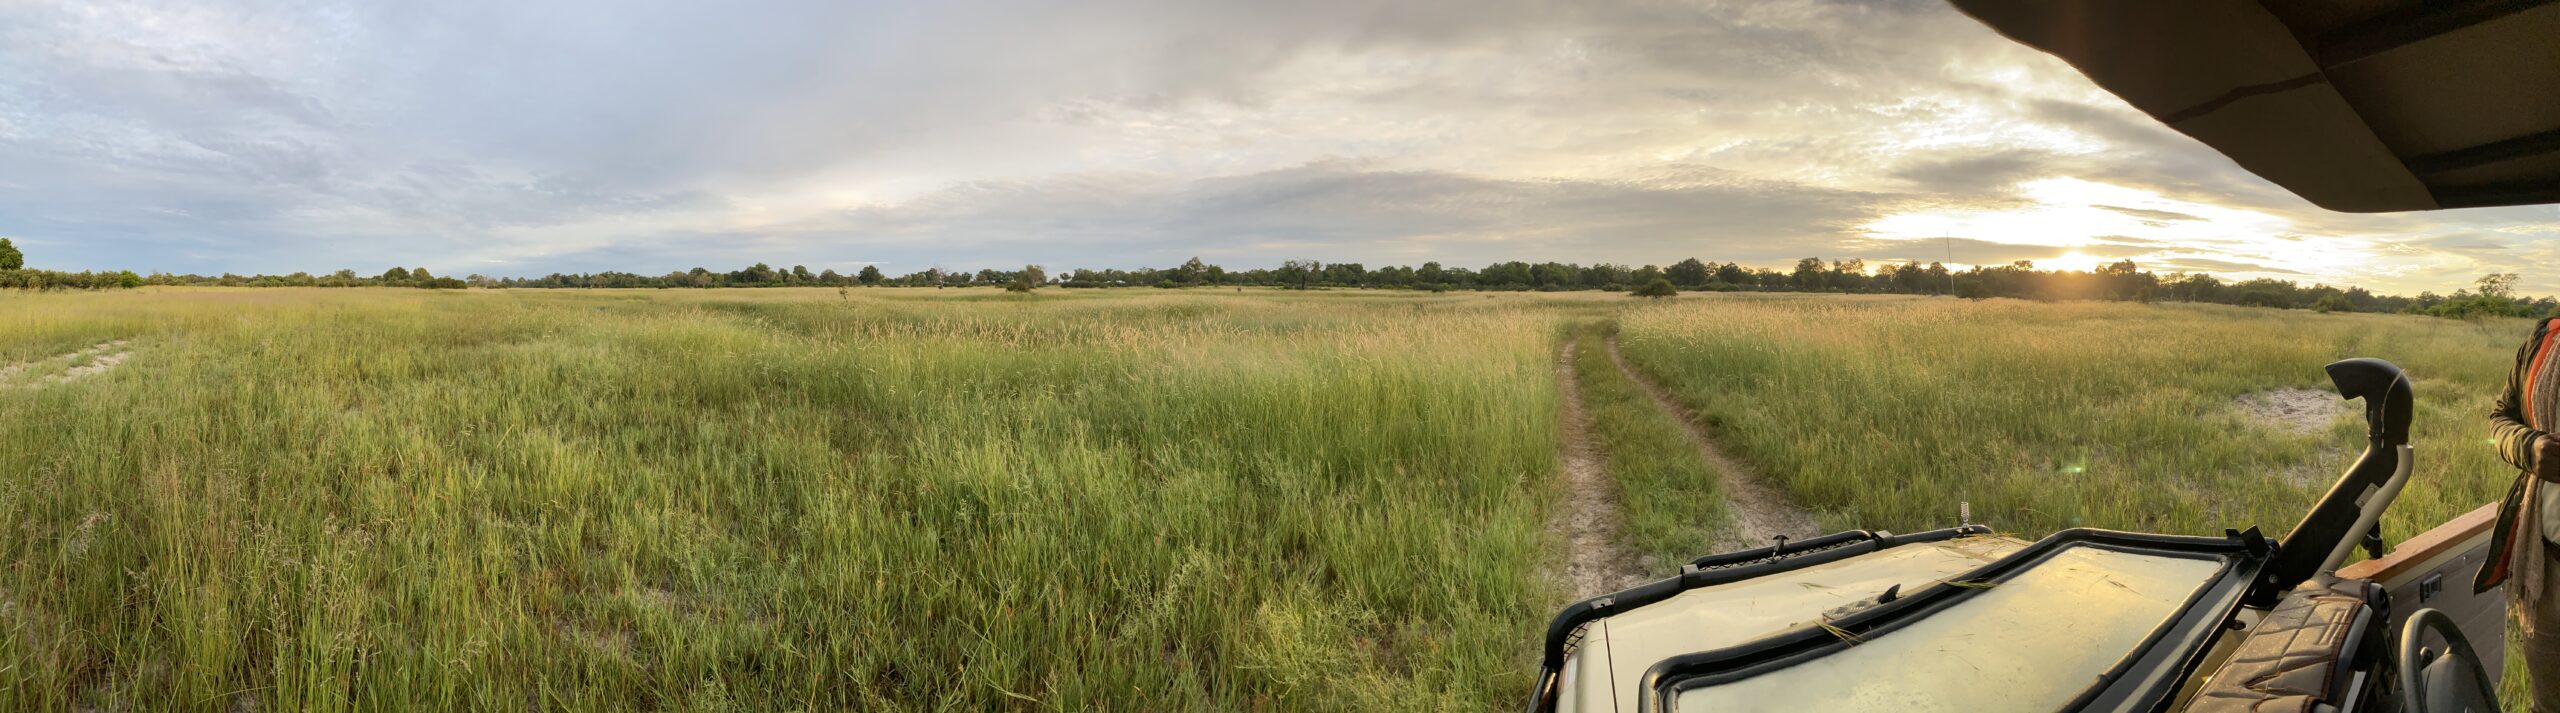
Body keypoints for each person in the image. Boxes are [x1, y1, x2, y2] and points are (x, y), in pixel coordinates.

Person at [2484, 316, 2560, 710]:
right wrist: (2529, 447)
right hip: (2547, 572)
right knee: (2546, 701)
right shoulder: (2544, 338)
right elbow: (2500, 417)